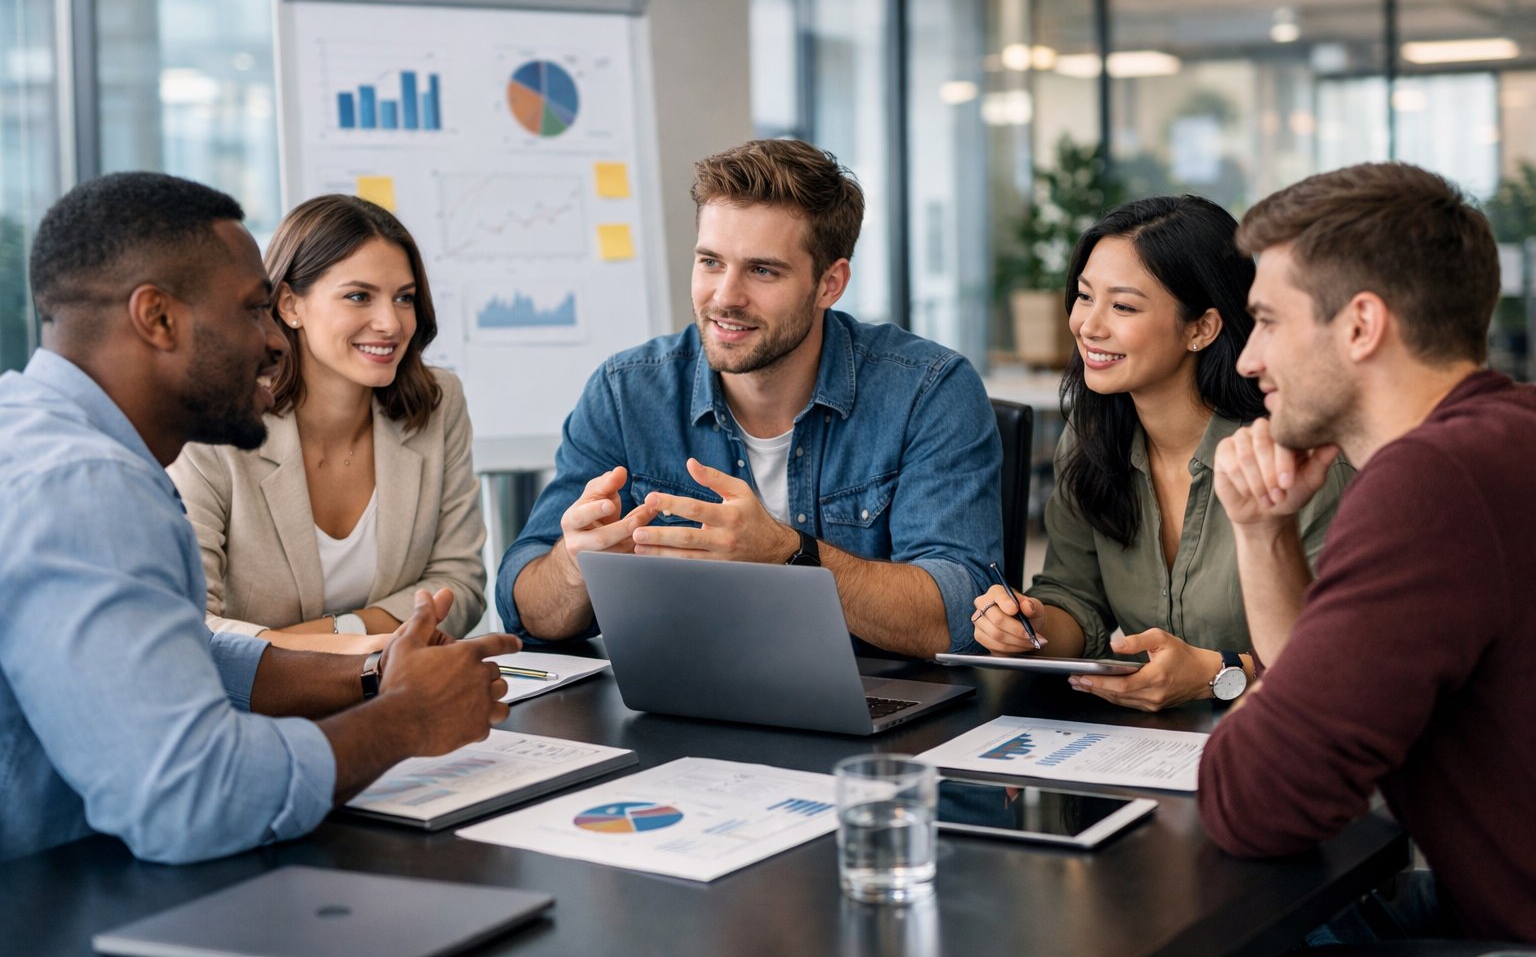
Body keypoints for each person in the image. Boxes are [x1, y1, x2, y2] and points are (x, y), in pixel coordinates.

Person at [0, 172, 520, 864]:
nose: (272, 343)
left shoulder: (38, 435)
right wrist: (405, 721)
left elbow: (179, 650)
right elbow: (192, 798)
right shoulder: (90, 489)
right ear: (157, 319)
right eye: (252, 311)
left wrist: (368, 678)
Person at [1198, 162, 1535, 942]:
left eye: (1269, 321)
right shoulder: (1502, 437)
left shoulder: (1433, 484)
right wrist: (1262, 532)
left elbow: (1259, 802)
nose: (1248, 361)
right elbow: (1318, 713)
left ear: (1360, 325)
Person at [497, 138, 1002, 658]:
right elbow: (527, 607)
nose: (725, 297)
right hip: (684, 703)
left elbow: (963, 611)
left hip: (885, 705)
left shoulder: (928, 390)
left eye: (762, 270)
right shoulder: (627, 391)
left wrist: (789, 555)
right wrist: (574, 564)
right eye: (711, 262)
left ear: (830, 283)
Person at [971, 196, 1349, 711]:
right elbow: (1074, 599)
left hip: (1277, 745)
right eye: (1085, 297)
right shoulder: (1090, 438)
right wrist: (1032, 625)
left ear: (1202, 328)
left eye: (1123, 306)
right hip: (1142, 752)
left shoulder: (1298, 461)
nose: (1089, 325)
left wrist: (1217, 672)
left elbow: (1345, 650)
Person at [169, 195, 486, 653]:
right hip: (254, 708)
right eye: (359, 296)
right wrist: (348, 652)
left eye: (404, 298)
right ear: (290, 305)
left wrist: (337, 636)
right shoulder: (214, 425)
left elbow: (460, 583)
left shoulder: (438, 402)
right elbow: (187, 620)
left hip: (389, 693)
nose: (391, 323)